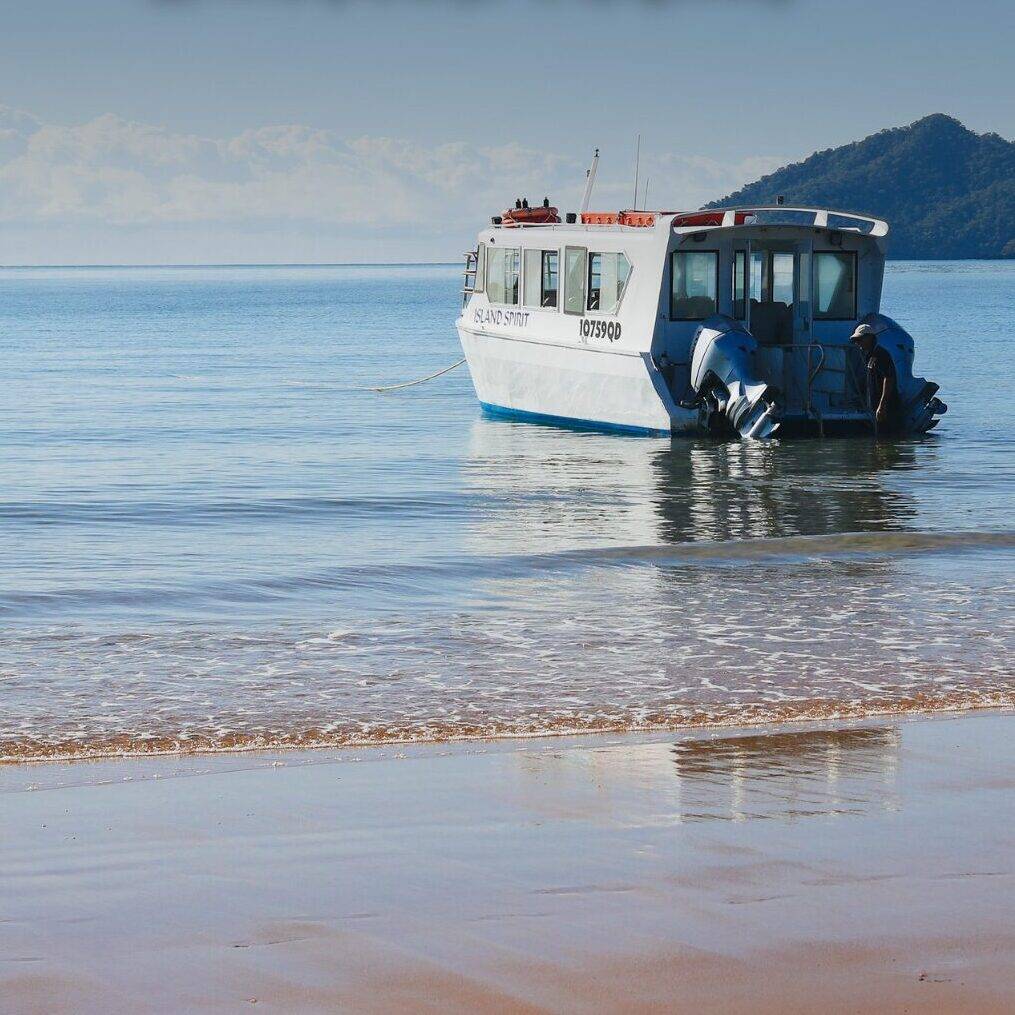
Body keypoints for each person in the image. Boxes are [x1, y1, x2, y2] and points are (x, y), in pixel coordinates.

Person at [850, 323, 901, 433]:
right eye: (856, 341)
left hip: (887, 406)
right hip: (877, 405)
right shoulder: (870, 355)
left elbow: (889, 378)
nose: (858, 344)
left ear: (869, 338)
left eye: (859, 340)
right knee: (880, 441)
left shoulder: (880, 354)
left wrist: (882, 406)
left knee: (886, 439)